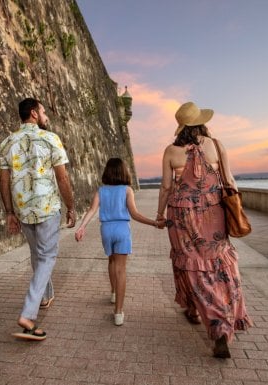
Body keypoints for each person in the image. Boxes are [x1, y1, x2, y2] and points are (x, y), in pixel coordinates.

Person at [156, 101, 252, 358]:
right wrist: (236, 208)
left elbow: (166, 187)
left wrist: (159, 214)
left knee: (190, 265)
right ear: (201, 122)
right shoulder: (217, 145)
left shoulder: (170, 151)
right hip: (214, 212)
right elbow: (230, 180)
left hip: (181, 215)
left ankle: (208, 316)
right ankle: (217, 318)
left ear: (181, 126)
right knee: (219, 262)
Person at [0, 98, 76, 341]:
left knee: (37, 255)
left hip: (23, 209)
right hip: (47, 208)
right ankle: (28, 314)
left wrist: (9, 212)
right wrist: (71, 206)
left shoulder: (7, 143)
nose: (46, 116)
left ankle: (45, 296)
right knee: (48, 256)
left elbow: (4, 181)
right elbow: (62, 179)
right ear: (33, 113)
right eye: (44, 111)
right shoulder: (50, 138)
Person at [74, 158, 164, 326]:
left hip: (106, 230)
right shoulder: (127, 190)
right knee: (121, 269)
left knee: (111, 260)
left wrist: (81, 228)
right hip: (122, 229)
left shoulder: (100, 191)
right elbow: (135, 214)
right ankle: (118, 312)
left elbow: (92, 210)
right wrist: (154, 223)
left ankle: (114, 292)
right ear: (124, 172)